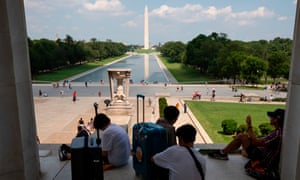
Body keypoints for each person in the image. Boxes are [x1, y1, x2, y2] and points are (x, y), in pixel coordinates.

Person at [208, 109, 285, 175]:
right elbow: (260, 141)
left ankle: (223, 153)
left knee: (242, 136)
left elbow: (256, 141)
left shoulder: (277, 134)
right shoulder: (278, 131)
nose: (270, 118)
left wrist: (249, 125)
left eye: (272, 117)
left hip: (263, 161)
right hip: (262, 154)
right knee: (243, 138)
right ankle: (224, 152)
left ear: (276, 120)